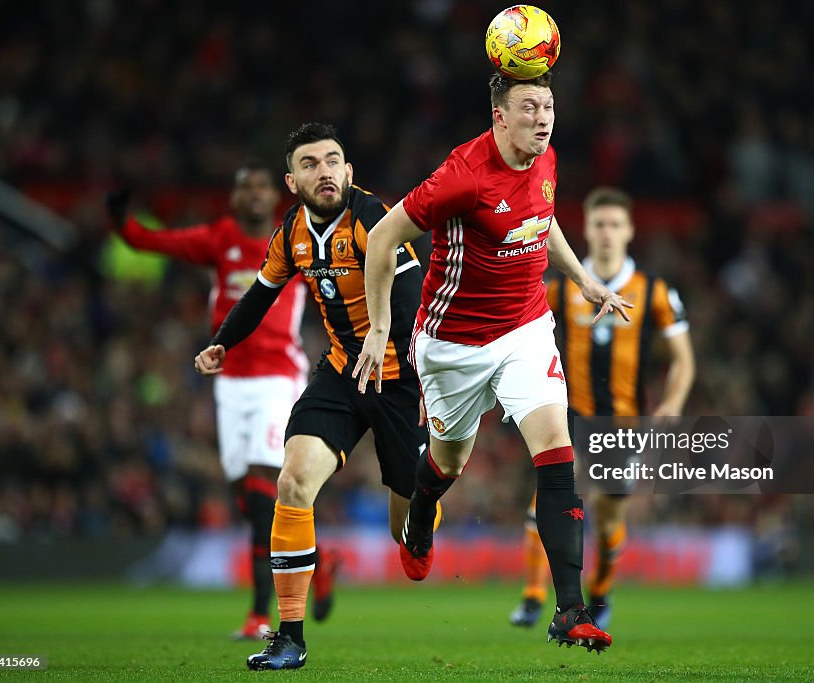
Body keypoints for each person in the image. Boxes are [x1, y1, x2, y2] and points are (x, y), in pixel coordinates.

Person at [354, 72, 628, 654]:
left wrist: (581, 278)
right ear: (499, 116)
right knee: (449, 461)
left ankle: (570, 610)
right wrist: (380, 328)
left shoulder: (546, 158)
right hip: (453, 346)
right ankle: (423, 506)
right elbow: (381, 238)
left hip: (526, 329)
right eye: (529, 107)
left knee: (557, 456)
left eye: (549, 105)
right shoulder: (463, 177)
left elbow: (543, 219)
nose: (544, 117)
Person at [194, 123, 430, 671]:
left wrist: (385, 333)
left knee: (406, 521)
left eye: (333, 161)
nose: (324, 171)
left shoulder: (374, 217)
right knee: (293, 479)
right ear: (292, 180)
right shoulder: (291, 233)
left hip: (401, 379)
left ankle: (419, 528)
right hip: (344, 372)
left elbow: (414, 290)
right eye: (310, 163)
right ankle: (290, 636)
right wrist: (221, 343)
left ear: (349, 172)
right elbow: (260, 294)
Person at [106, 166, 310, 640]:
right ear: (236, 198)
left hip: (278, 378)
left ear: (277, 192)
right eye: (245, 187)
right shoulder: (220, 238)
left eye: (261, 186)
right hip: (230, 382)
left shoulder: (299, 239)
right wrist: (121, 222)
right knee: (248, 499)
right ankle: (316, 568)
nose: (254, 194)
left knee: (265, 494)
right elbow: (154, 243)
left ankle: (261, 615)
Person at [509, 186, 696, 630]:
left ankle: (601, 588)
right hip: (567, 417)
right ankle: (534, 596)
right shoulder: (561, 289)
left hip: (622, 423)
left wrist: (671, 402)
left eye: (615, 224)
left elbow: (684, 361)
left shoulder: (654, 292)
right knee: (543, 506)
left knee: (610, 516)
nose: (607, 233)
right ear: (586, 231)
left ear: (630, 230)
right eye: (599, 224)